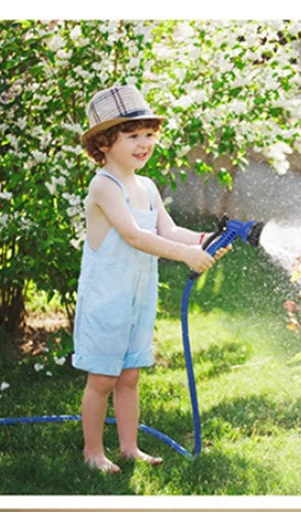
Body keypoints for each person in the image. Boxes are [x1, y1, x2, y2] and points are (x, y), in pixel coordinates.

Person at [74, 85, 218, 473]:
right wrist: (186, 255)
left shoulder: (147, 187)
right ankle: (93, 452)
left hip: (138, 297)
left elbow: (168, 231)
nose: (144, 144)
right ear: (103, 143)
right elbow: (135, 236)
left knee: (130, 376)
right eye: (133, 135)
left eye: (149, 134)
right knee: (103, 378)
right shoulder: (104, 185)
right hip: (107, 298)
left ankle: (128, 448)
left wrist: (204, 240)